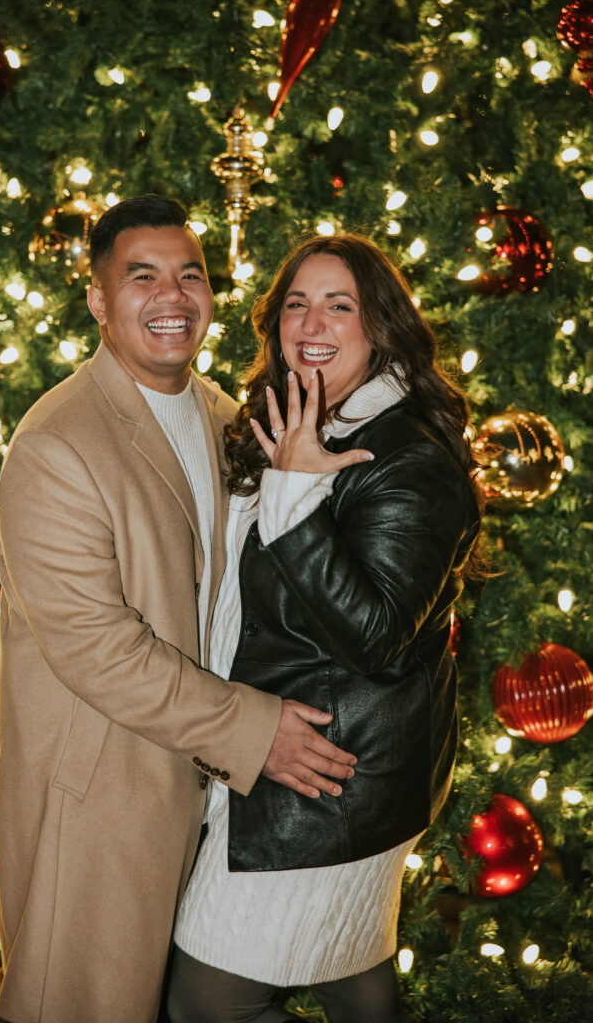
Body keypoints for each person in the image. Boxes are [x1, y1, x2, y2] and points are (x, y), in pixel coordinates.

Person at [0, 196, 357, 1023]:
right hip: (99, 800)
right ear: (96, 300)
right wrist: (254, 730)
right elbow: (96, 647)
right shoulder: (56, 443)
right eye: (142, 276)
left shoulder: (222, 413)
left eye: (189, 276)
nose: (172, 297)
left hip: (198, 793)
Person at [168, 233, 483, 1023]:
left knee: (203, 1006)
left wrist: (299, 491)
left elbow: (373, 634)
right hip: (320, 771)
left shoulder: (407, 457)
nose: (312, 322)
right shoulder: (292, 420)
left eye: (339, 305)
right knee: (352, 976)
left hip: (326, 783)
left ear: (378, 327)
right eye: (296, 304)